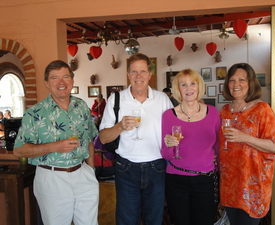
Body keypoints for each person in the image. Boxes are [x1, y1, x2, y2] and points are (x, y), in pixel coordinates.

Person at [13, 60, 99, 225]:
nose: (61, 82)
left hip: (83, 174)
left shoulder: (81, 106)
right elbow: (19, 150)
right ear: (47, 83)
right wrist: (54, 146)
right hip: (52, 177)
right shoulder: (34, 113)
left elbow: (89, 139)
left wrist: (91, 170)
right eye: (54, 78)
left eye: (65, 77)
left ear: (72, 81)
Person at [99, 53, 173, 225]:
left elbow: (172, 132)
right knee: (126, 220)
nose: (138, 76)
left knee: (154, 220)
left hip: (156, 168)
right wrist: (119, 127)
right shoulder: (116, 99)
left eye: (142, 71)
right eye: (134, 72)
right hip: (126, 168)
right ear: (128, 74)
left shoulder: (162, 99)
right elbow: (103, 138)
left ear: (149, 74)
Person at [219, 63, 275, 225]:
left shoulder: (262, 109)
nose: (236, 84)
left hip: (253, 185)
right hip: (229, 184)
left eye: (242, 79)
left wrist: (245, 137)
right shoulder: (225, 110)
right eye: (232, 80)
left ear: (251, 83)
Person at [161, 68, 220, 225]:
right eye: (183, 85)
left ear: (199, 86)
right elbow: (166, 155)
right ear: (178, 89)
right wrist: (168, 145)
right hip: (176, 180)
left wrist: (222, 172)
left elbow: (219, 147)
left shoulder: (213, 113)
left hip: (206, 179)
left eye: (192, 83)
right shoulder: (168, 115)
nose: (189, 88)